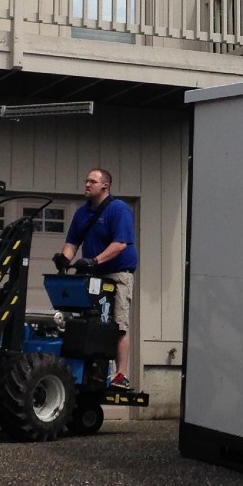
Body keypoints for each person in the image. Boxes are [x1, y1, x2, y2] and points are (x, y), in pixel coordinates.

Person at [60, 167, 138, 390]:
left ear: (106, 186)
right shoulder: (82, 213)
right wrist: (64, 259)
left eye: (92, 181)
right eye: (86, 181)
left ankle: (121, 375)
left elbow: (121, 244)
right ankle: (91, 373)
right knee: (89, 321)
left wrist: (94, 260)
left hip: (117, 274)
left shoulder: (118, 209)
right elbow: (73, 242)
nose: (87, 184)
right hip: (93, 275)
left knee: (118, 323)